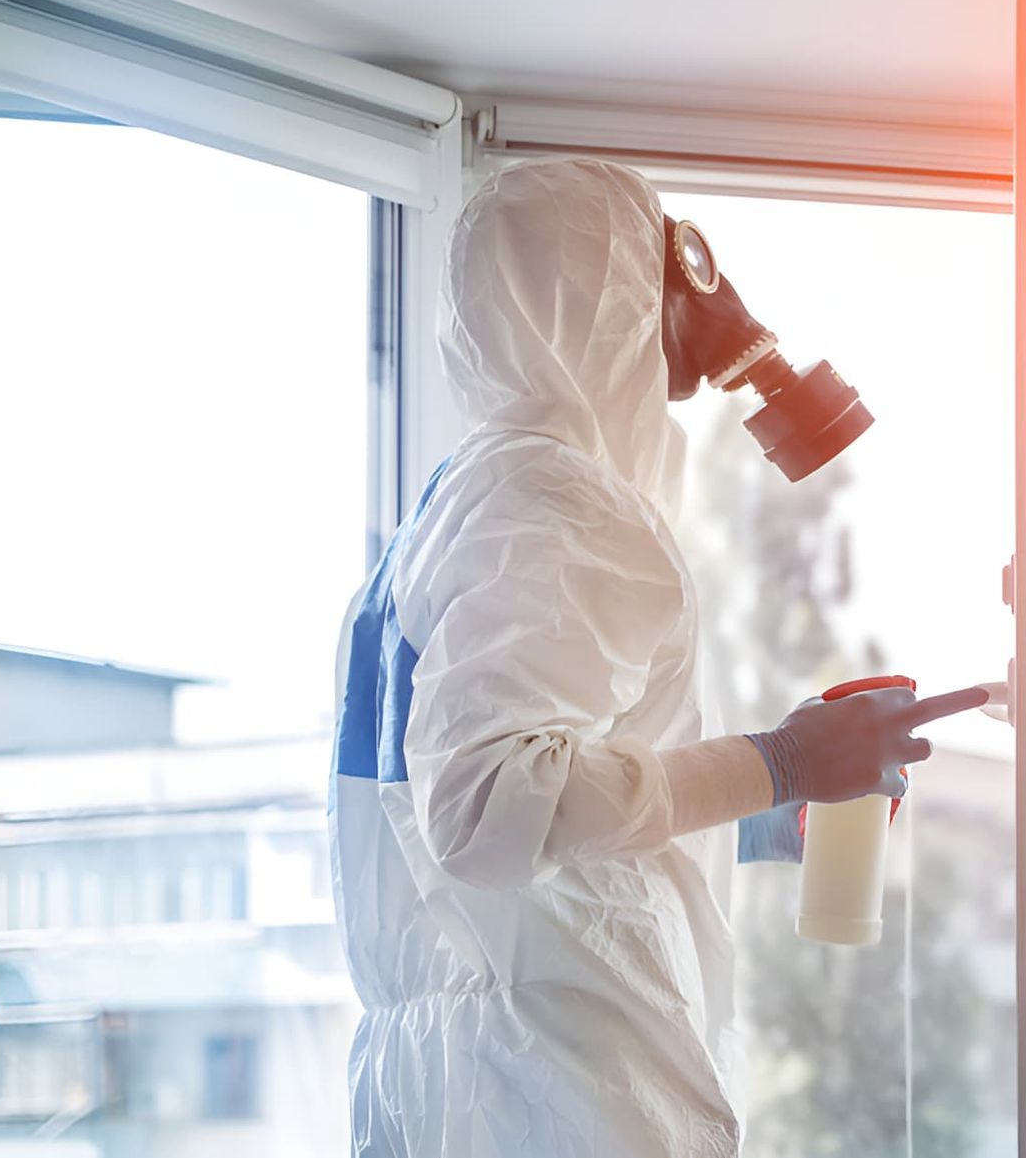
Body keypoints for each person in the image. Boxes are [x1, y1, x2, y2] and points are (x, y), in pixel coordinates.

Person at [329, 158, 986, 1157]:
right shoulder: (552, 500)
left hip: (473, 1069)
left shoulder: (456, 509)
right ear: (611, 293)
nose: (693, 305)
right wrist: (782, 760)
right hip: (563, 1073)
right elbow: (485, 811)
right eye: (665, 270)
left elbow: (511, 818)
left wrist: (762, 817)